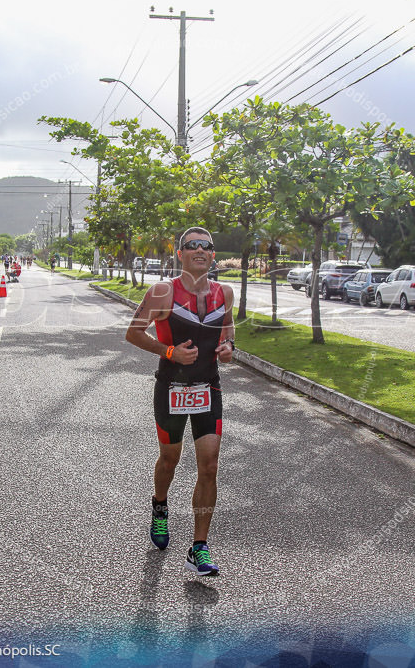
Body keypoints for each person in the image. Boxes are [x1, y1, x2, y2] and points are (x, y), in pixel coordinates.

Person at [125, 227, 235, 577]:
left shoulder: (225, 293)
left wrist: (229, 348)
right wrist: (169, 351)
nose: (200, 250)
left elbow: (228, 329)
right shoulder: (162, 292)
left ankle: (198, 548)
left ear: (213, 255)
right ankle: (160, 507)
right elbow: (133, 331)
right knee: (170, 459)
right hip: (171, 388)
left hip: (209, 388)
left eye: (207, 246)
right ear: (180, 253)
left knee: (210, 466)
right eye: (192, 246)